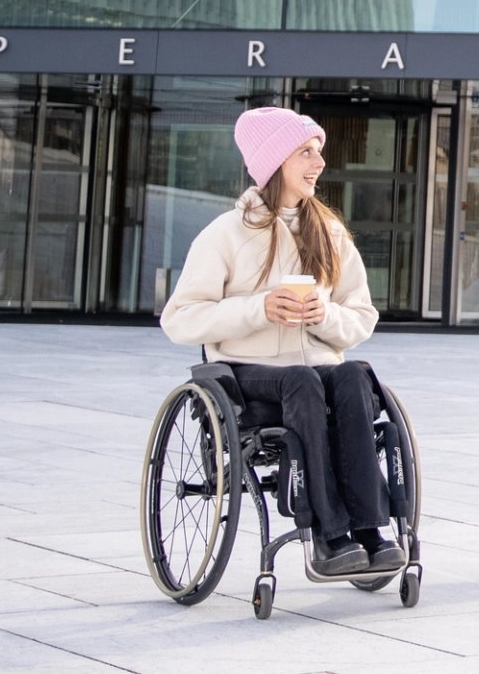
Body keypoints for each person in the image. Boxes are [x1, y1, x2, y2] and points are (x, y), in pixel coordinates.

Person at [159, 106, 398, 579]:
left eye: (319, 152)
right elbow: (179, 319)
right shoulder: (224, 235)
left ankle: (371, 530)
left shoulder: (329, 233)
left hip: (317, 372)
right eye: (305, 152)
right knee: (302, 381)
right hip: (251, 379)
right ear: (274, 164)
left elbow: (362, 314)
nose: (319, 162)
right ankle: (329, 536)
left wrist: (323, 315)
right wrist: (258, 308)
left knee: (352, 374)